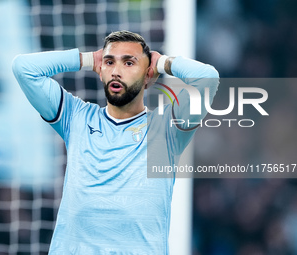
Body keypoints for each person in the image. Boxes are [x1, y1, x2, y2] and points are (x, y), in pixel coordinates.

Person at [12, 30, 219, 254]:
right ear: (101, 71)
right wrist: (87, 59)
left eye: (129, 63)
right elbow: (23, 68)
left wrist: (162, 62)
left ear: (148, 75)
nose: (117, 71)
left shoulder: (167, 127)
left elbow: (208, 78)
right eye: (109, 62)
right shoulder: (76, 117)